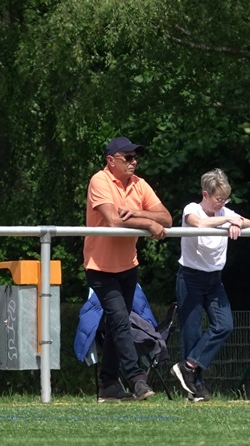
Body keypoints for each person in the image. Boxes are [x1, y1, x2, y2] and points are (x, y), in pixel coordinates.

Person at [84, 136, 172, 402]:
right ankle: (136, 379)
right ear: (111, 161)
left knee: (115, 325)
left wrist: (138, 215)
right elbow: (112, 220)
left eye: (136, 157)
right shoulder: (99, 180)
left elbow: (166, 218)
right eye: (128, 158)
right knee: (121, 321)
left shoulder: (139, 184)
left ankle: (108, 384)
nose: (134, 162)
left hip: (127, 266)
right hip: (100, 267)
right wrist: (149, 224)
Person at [171, 168, 250, 402]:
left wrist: (238, 223)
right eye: (219, 199)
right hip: (190, 278)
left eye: (226, 199)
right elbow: (197, 224)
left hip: (214, 280)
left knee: (225, 325)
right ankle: (195, 388)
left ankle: (188, 366)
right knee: (191, 332)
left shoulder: (225, 211)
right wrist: (227, 220)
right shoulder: (192, 209)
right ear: (205, 195)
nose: (223, 204)